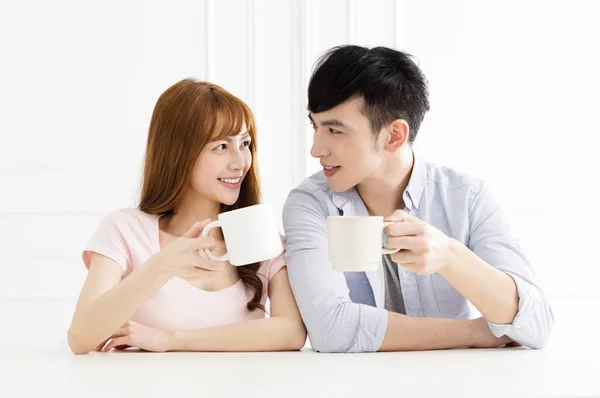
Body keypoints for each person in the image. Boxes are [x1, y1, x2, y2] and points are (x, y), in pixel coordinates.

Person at [282, 45, 553, 353]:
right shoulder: (310, 204)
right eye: (315, 126)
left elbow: (536, 324)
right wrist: (475, 332)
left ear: (394, 135)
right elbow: (332, 330)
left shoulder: (466, 197)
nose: (316, 149)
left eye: (334, 130)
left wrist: (450, 256)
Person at [68, 79, 306, 354]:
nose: (240, 162)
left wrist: (169, 340)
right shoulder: (124, 230)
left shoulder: (259, 238)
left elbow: (291, 332)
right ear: (180, 152)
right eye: (221, 147)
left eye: (245, 144)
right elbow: (80, 338)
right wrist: (163, 265)